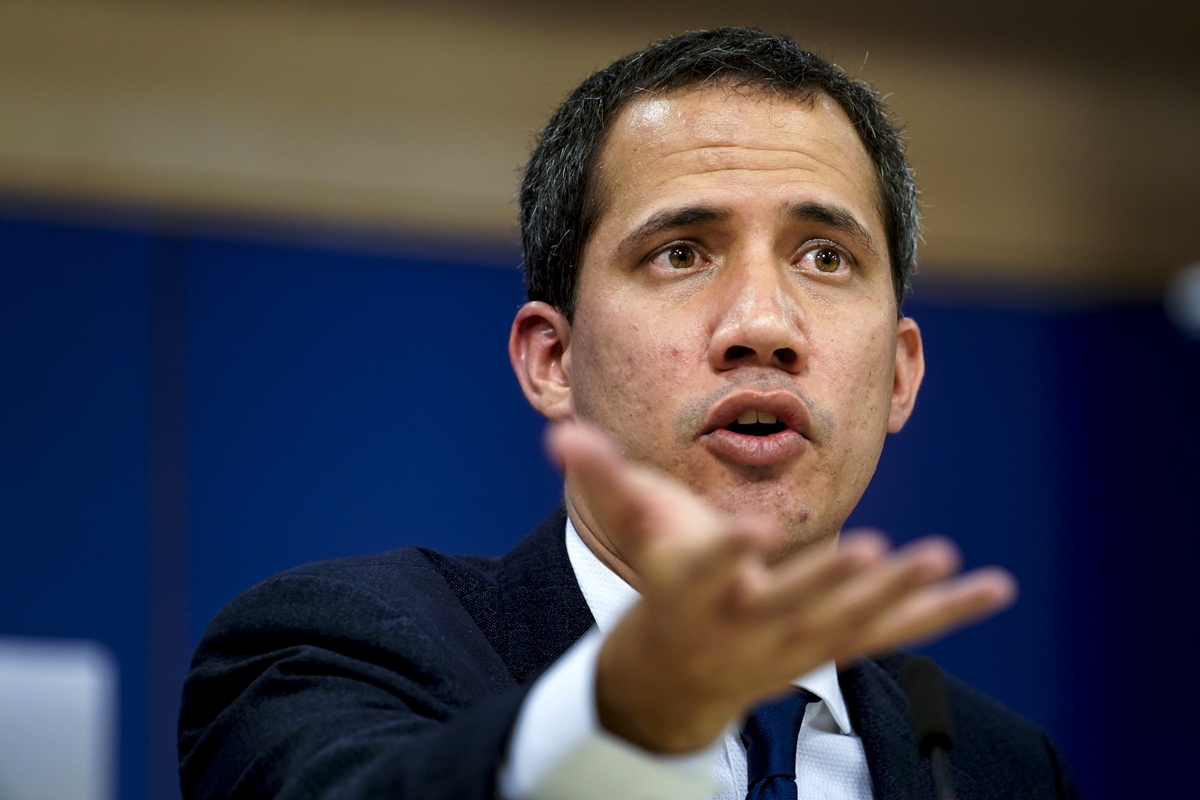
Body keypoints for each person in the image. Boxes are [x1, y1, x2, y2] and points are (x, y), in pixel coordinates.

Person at [179, 28, 1079, 800]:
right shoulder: (334, 650)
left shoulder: (998, 765)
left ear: (898, 376)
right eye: (682, 253)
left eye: (825, 258)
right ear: (553, 360)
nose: (763, 324)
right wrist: (618, 725)